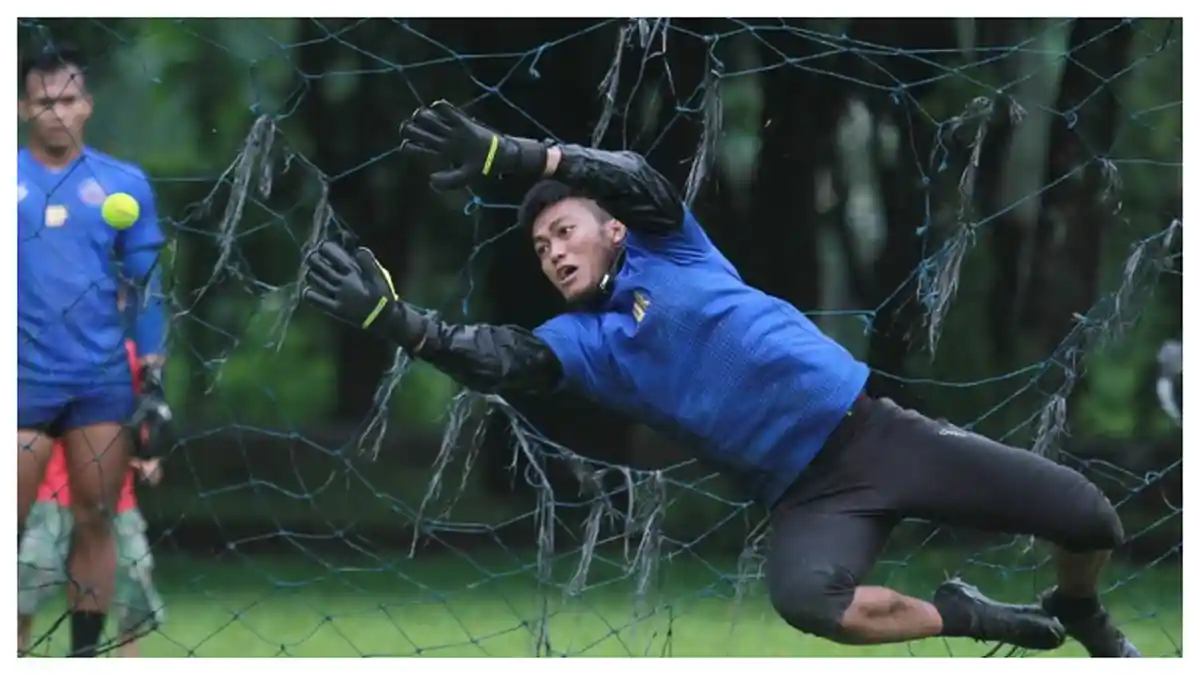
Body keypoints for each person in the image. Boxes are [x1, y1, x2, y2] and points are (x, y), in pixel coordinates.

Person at [302, 100, 1139, 656]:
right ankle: (967, 613)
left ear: (613, 229)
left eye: (564, 230)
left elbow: (631, 173)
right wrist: (399, 324)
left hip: (879, 435)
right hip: (808, 496)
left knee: (1088, 517)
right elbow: (502, 358)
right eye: (540, 247)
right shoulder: (581, 340)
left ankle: (1077, 608)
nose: (554, 250)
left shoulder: (672, 243)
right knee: (811, 601)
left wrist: (511, 154)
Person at [18, 44, 170, 656]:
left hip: (100, 380)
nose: (57, 111)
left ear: (88, 105)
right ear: (23, 107)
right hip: (20, 378)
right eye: (44, 100)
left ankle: (85, 653)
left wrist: (154, 384)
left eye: (69, 99)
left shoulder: (123, 183)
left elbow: (148, 289)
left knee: (95, 517)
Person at [18, 338, 167, 658]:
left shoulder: (129, 352)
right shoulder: (40, 341)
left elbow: (143, 416)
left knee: (134, 579)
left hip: (115, 499)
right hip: (53, 493)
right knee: (29, 579)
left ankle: (112, 654)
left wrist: (146, 454)